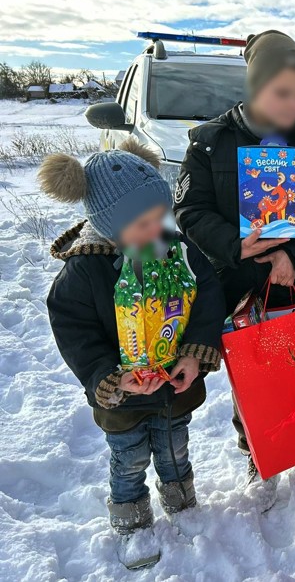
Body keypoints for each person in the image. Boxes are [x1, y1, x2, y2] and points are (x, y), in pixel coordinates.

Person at [174, 30, 295, 506]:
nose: (293, 104)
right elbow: (190, 211)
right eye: (282, 93)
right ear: (255, 87)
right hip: (237, 285)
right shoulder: (210, 145)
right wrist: (237, 246)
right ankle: (259, 450)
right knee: (254, 377)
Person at [41, 141, 225, 553]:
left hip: (175, 385)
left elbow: (208, 293)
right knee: (129, 458)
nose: (156, 229)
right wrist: (110, 378)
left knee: (175, 447)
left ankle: (182, 505)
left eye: (161, 216)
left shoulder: (173, 247)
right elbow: (76, 333)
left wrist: (195, 353)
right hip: (123, 396)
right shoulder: (84, 270)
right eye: (142, 223)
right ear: (109, 225)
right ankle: (131, 519)